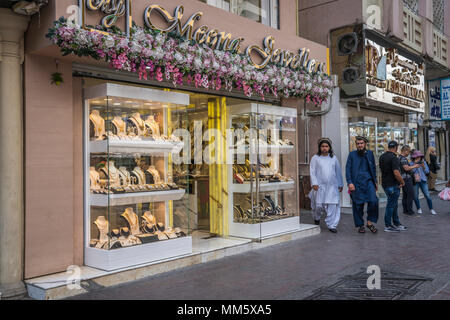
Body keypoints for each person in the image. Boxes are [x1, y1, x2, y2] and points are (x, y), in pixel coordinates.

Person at [309, 138, 344, 233]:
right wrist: (314, 183)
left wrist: (340, 184)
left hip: (332, 186)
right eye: (322, 146)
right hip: (320, 186)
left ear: (329, 147)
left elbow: (338, 172)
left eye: (326, 146)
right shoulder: (315, 158)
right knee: (319, 205)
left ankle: (332, 225)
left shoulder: (334, 158)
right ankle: (317, 217)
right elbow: (312, 172)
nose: (324, 148)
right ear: (320, 147)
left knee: (332, 205)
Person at [345, 136, 379, 234]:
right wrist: (349, 182)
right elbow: (348, 169)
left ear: (365, 144)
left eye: (361, 143)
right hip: (356, 183)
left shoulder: (370, 154)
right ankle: (360, 225)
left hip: (369, 182)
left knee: (373, 201)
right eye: (358, 144)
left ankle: (369, 222)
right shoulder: (352, 155)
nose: (360, 145)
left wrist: (375, 181)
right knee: (358, 205)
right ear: (356, 145)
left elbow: (373, 168)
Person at [379, 141, 406, 232]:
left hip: (385, 184)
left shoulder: (382, 156)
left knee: (393, 204)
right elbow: (396, 172)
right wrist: (402, 181)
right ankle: (388, 225)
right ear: (396, 147)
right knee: (391, 205)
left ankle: (396, 223)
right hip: (393, 184)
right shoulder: (394, 158)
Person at [410, 150, 437, 215]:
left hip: (423, 180)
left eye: (419, 157)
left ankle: (431, 209)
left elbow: (427, 172)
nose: (418, 158)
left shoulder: (424, 162)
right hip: (415, 181)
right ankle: (419, 208)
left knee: (427, 195)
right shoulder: (411, 163)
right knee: (415, 196)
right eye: (416, 157)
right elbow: (411, 172)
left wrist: (423, 166)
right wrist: (415, 165)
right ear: (414, 157)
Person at [398, 145, 420, 217]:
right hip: (407, 179)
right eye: (409, 151)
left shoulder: (399, 157)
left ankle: (405, 210)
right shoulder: (403, 158)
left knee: (405, 195)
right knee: (410, 195)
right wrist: (415, 166)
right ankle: (409, 210)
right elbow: (406, 168)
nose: (409, 153)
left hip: (404, 178)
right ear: (405, 151)